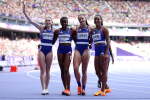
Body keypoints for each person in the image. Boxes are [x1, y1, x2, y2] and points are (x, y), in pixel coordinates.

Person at [23, 4, 56, 95]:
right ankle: (43, 88)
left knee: (48, 70)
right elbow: (31, 21)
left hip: (49, 51)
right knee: (42, 69)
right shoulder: (41, 28)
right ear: (44, 22)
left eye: (49, 21)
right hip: (41, 50)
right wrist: (25, 13)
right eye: (46, 21)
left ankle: (47, 87)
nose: (47, 22)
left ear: (52, 22)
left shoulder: (54, 30)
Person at [52, 17, 76, 96]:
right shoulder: (57, 31)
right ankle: (65, 88)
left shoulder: (71, 31)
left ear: (67, 22)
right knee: (62, 69)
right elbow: (52, 42)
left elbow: (76, 41)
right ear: (60, 23)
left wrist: (75, 31)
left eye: (65, 22)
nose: (64, 24)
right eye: (62, 22)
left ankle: (68, 89)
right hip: (60, 50)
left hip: (68, 50)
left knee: (66, 68)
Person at [90, 15, 111, 96]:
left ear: (101, 20)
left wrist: (106, 53)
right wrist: (89, 44)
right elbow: (91, 39)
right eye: (95, 19)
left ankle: (102, 90)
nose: (96, 21)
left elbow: (108, 41)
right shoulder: (93, 30)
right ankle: (106, 87)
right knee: (97, 71)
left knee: (104, 71)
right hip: (97, 51)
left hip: (103, 50)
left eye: (98, 19)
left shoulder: (104, 29)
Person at [73, 14, 93, 95]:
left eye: (82, 18)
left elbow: (94, 36)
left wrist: (90, 43)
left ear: (85, 19)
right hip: (77, 49)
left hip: (86, 49)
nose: (81, 20)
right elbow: (73, 36)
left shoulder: (90, 28)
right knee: (75, 68)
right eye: (79, 19)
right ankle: (79, 86)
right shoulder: (77, 28)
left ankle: (83, 89)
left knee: (84, 70)